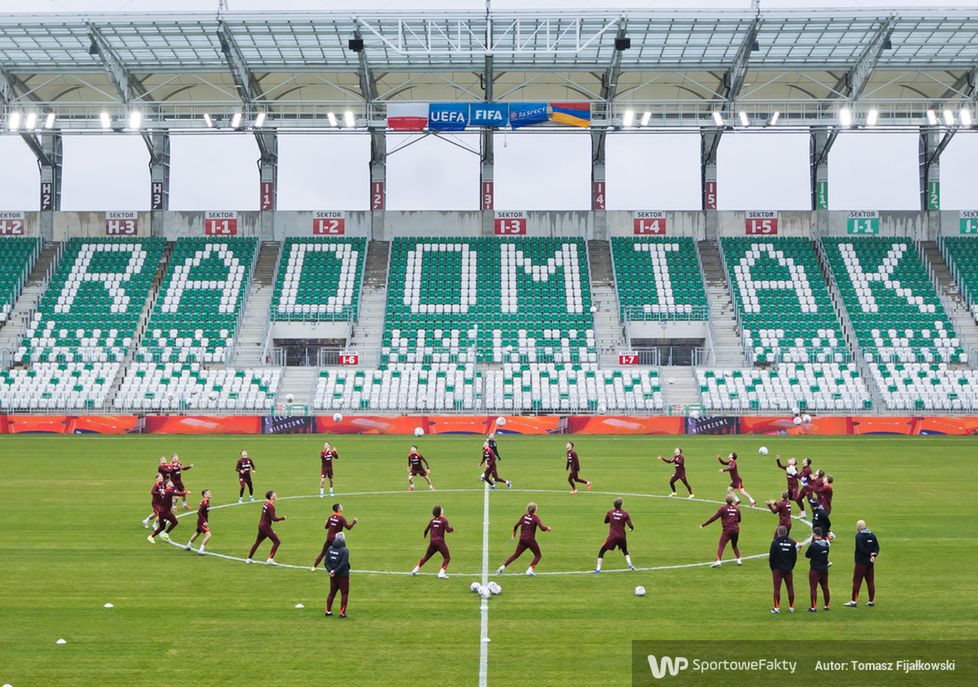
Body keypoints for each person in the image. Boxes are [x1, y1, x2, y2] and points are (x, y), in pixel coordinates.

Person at [496, 502, 552, 576]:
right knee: (538, 555)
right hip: (530, 540)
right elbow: (542, 528)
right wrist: (547, 528)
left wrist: (513, 535)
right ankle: (529, 570)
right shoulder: (535, 518)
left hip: (522, 539)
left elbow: (516, 525)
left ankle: (502, 567)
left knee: (516, 554)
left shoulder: (524, 516)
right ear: (535, 510)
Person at [411, 505, 454, 579]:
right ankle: (441, 573)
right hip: (440, 542)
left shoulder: (432, 520)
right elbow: (448, 530)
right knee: (447, 558)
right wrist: (452, 529)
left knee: (426, 556)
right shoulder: (444, 520)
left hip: (432, 542)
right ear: (440, 512)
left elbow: (426, 530)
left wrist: (425, 536)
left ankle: (415, 570)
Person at [312, 504, 358, 571]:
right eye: (341, 506)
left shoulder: (330, 517)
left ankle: (314, 567)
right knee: (344, 552)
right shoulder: (341, 518)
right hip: (337, 540)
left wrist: (327, 522)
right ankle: (347, 568)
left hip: (329, 538)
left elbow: (326, 527)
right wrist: (354, 522)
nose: (342, 507)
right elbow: (348, 528)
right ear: (339, 509)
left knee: (323, 553)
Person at [595, 497, 636, 572]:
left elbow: (605, 521)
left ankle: (598, 568)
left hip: (613, 536)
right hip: (622, 536)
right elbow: (631, 526)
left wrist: (613, 519)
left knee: (602, 550)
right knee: (624, 550)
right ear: (622, 504)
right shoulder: (625, 514)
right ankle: (629, 563)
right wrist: (631, 529)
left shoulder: (610, 512)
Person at [700, 494, 742, 567]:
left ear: (726, 500)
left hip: (727, 530)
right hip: (736, 530)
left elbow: (713, 518)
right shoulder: (737, 509)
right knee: (734, 545)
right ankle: (739, 560)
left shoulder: (723, 509)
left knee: (721, 545)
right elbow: (739, 520)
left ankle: (718, 561)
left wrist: (703, 525)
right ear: (732, 500)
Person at [845, 520, 880, 608]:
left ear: (859, 526)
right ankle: (871, 601)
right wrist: (873, 555)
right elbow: (877, 547)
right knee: (870, 582)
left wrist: (869, 554)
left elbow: (861, 548)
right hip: (870, 563)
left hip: (861, 562)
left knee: (857, 581)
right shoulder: (872, 535)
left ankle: (854, 601)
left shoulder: (859, 536)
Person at [246, 490, 286, 564]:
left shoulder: (266, 503)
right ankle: (270, 559)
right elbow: (273, 518)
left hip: (261, 526)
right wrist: (282, 518)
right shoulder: (271, 506)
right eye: (274, 494)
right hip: (265, 527)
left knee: (257, 542)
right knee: (277, 542)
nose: (275, 494)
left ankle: (249, 558)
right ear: (271, 497)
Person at [768, 525, 798, 614]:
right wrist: (791, 566)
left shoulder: (775, 543)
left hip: (777, 569)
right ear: (786, 532)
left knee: (777, 588)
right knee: (790, 587)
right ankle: (791, 607)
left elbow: (771, 557)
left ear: (778, 533)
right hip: (788, 569)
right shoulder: (792, 543)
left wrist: (773, 568)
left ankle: (776, 608)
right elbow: (794, 557)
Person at [148, 479, 187, 543]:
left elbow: (175, 489)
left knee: (175, 522)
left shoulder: (169, 490)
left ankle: (165, 534)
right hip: (163, 513)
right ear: (167, 485)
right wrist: (185, 492)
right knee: (161, 527)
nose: (172, 482)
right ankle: (151, 536)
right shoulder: (168, 491)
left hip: (167, 512)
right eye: (170, 482)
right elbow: (178, 494)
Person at [324, 532, 350, 618]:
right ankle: (342, 613)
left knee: (332, 593)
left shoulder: (330, 548)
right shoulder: (344, 550)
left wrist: (331, 571)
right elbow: (344, 563)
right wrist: (335, 571)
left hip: (333, 577)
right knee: (344, 594)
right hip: (343, 576)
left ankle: (328, 611)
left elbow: (326, 562)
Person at [806, 527, 831, 612]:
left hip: (815, 569)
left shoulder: (813, 545)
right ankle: (827, 606)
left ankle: (813, 607)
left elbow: (807, 555)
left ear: (814, 534)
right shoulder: (826, 544)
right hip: (824, 569)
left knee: (813, 588)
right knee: (825, 588)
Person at [185, 489, 212, 554]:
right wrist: (204, 521)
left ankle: (189, 545)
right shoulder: (205, 502)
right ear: (205, 495)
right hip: (202, 522)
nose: (210, 493)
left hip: (200, 521)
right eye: (208, 493)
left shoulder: (206, 501)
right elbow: (199, 512)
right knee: (208, 535)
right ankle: (201, 550)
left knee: (197, 533)